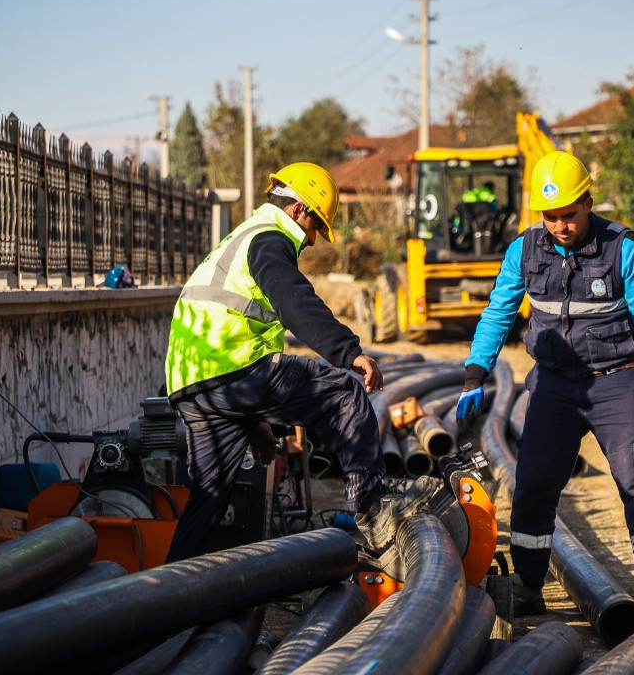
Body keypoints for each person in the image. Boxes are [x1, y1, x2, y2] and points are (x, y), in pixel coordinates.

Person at [163, 162, 435, 563]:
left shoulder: (239, 238)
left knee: (207, 502)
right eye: (315, 229)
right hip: (233, 369)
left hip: (194, 385)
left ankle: (168, 600)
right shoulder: (269, 240)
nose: (312, 242)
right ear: (298, 211)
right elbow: (295, 303)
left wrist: (253, 419)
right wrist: (349, 352)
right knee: (344, 392)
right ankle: (373, 508)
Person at [456, 150, 634, 617]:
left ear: (588, 202)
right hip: (555, 386)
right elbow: (498, 312)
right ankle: (528, 583)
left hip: (618, 382)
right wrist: (474, 374)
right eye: (551, 216)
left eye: (569, 214)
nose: (560, 225)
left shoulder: (623, 248)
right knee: (534, 484)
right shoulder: (524, 249)